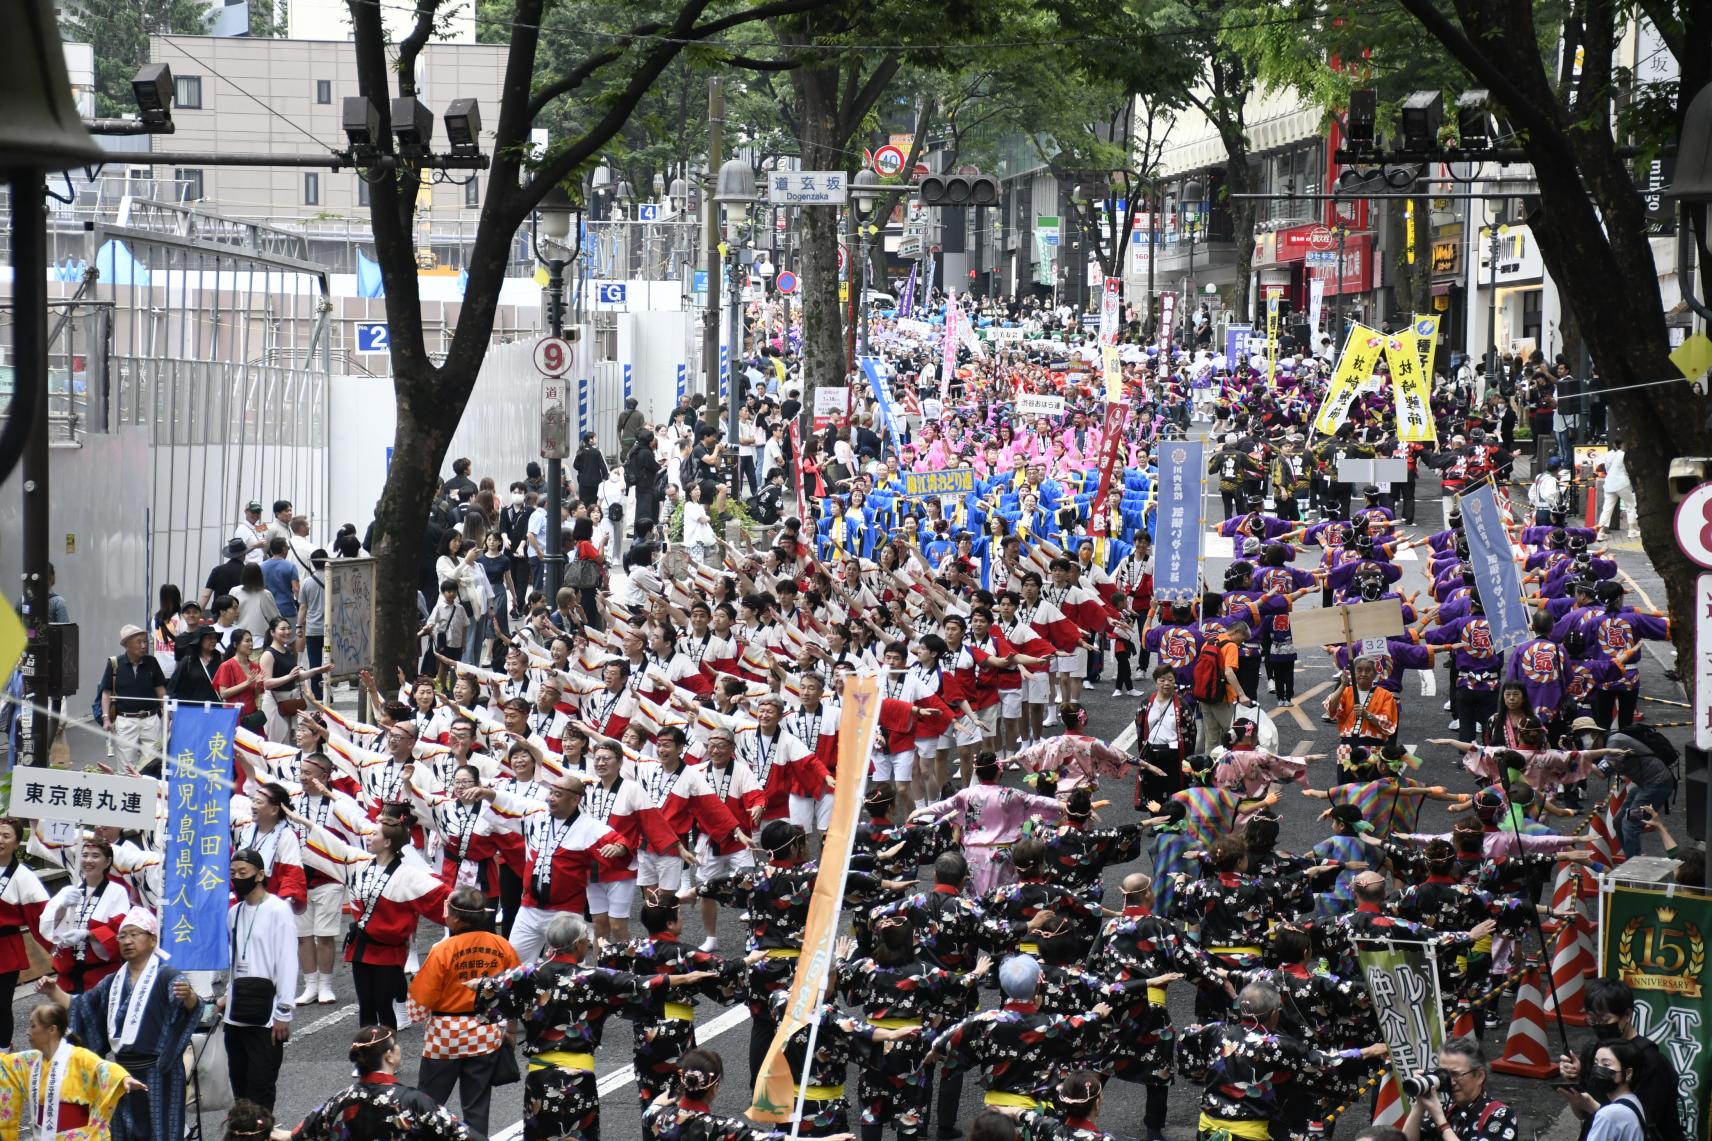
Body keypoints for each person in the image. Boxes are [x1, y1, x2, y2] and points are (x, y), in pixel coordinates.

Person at [471, 912, 715, 1141]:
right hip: (577, 1080)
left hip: (539, 1079)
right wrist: (684, 978)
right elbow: (639, 984)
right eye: (585, 942)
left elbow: (487, 986)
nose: (587, 946)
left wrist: (470, 984)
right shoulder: (593, 978)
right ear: (577, 944)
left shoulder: (527, 975)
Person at [40, 906, 200, 1141]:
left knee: (161, 1132)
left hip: (159, 1071)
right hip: (121, 1071)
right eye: (123, 936)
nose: (127, 941)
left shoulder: (170, 977)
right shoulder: (112, 982)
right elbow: (83, 1008)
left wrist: (189, 997)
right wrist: (54, 991)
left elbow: (191, 1009)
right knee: (122, 1132)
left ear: (152, 939)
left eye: (135, 934)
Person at [406, 885, 521, 1137]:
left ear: (456, 918)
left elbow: (421, 999)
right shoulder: (501, 944)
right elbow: (515, 991)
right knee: (477, 1105)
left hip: (446, 1035)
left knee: (429, 1103)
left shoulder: (443, 950)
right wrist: (510, 1029)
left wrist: (415, 1014)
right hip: (486, 1032)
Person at [287, 1024, 477, 1140]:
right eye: (395, 1045)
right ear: (389, 1057)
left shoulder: (339, 1100)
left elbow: (299, 1134)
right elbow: (460, 1135)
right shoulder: (413, 1102)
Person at [1557, 977, 1685, 1141]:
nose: (1598, 1025)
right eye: (1592, 1020)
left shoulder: (1651, 1061)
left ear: (1627, 1014)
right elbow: (1582, 1114)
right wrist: (1575, 1082)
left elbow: (1643, 1124)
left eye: (1604, 1019)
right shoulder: (1593, 1051)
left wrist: (1595, 1108)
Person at [0, 1002, 146, 1139]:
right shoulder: (29, 1061)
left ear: (52, 1029)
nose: (27, 1032)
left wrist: (125, 1078)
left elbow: (103, 1068)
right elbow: (5, 1065)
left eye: (33, 1026)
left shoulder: (79, 1057)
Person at [225, 848, 298, 1113]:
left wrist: (283, 1012)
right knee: (240, 1087)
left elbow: (288, 962)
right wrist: (226, 996)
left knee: (261, 1085)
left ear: (260, 874)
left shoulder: (278, 910)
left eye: (243, 873)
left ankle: (262, 1132)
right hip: (236, 1012)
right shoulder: (234, 913)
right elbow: (234, 960)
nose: (237, 878)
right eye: (233, 873)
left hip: (266, 1014)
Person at [38, 840, 131, 995]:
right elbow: (48, 924)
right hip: (68, 974)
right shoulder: (69, 890)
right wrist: (62, 905)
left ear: (107, 861)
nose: (88, 860)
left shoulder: (117, 892)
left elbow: (120, 930)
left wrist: (87, 934)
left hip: (101, 975)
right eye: (85, 855)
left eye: (95, 856)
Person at [1401, 1036, 1517, 1141]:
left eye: (1456, 1074)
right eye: (1444, 1074)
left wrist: (1442, 1123)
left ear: (1480, 1076)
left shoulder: (1500, 1115)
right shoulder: (1447, 1110)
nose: (1450, 1081)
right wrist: (1420, 1103)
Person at [0, 818, 50, 1048]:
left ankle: (2, 1050)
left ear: (17, 843)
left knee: (1, 1004)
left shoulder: (23, 876)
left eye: (6, 836)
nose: (0, 840)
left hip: (6, 949)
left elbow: (43, 916)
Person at [98, 625, 168, 774]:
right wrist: (105, 718)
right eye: (139, 642)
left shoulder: (152, 662)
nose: (143, 646)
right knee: (126, 767)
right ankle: (128, 795)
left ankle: (150, 796)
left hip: (151, 719)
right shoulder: (114, 664)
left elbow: (160, 689)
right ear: (127, 644)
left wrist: (167, 715)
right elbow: (106, 692)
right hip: (125, 720)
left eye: (145, 642)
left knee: (152, 764)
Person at [1195, 621, 1250, 754]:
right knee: (1233, 733)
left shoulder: (1209, 642)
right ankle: (1230, 767)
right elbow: (1228, 672)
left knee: (1211, 737)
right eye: (1242, 639)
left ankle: (1210, 770)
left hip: (1204, 694)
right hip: (1222, 697)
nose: (1241, 643)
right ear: (1236, 632)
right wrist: (1241, 694)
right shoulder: (1230, 646)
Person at [1578, 1040, 1648, 1141]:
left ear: (1628, 1073)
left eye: (1606, 1065)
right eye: (1596, 1063)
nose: (1598, 1069)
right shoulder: (1635, 1101)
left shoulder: (1608, 1115)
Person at [1596, 438, 1637, 542]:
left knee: (1607, 509)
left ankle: (1600, 532)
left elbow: (1607, 469)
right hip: (1622, 483)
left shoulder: (1609, 454)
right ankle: (1631, 530)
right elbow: (1629, 469)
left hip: (1609, 483)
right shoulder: (1624, 455)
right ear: (1622, 445)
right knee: (1630, 505)